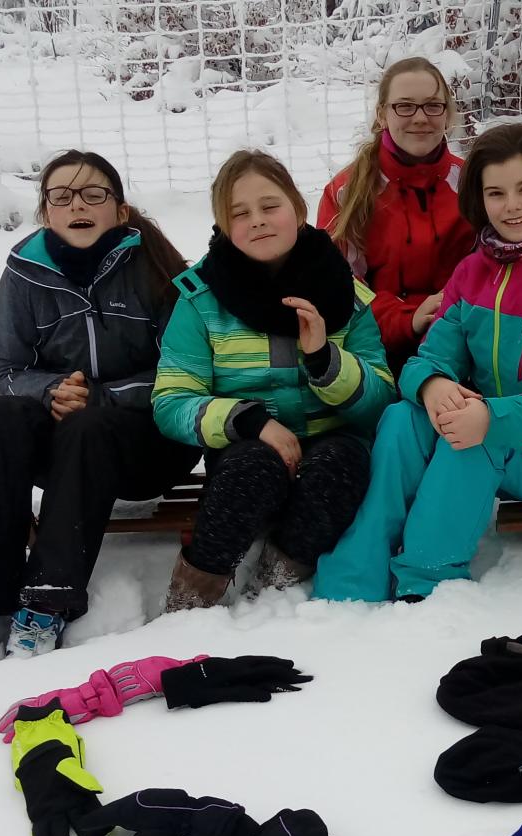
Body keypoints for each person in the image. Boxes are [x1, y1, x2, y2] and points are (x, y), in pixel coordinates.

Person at [313, 124, 522, 603]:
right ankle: (354, 576)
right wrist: (432, 384)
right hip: (495, 430)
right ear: (479, 199)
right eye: (496, 193)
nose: (512, 206)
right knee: (402, 419)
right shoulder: (473, 271)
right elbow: (428, 358)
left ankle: (426, 582)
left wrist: (493, 417)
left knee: (475, 436)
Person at [0, 150, 197, 676]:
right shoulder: (25, 273)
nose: (78, 205)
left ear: (119, 210)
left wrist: (101, 396)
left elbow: (183, 369)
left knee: (89, 424)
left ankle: (47, 602)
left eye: (94, 194)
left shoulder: (156, 268)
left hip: (149, 445)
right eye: (62, 196)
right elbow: (6, 363)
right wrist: (50, 390)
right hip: (65, 439)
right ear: (45, 210)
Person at [152, 150, 396, 610]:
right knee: (251, 466)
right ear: (223, 225)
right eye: (239, 213)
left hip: (330, 441)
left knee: (341, 465)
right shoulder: (200, 299)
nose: (258, 221)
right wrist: (249, 422)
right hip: (248, 450)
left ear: (298, 210)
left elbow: (380, 400)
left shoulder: (346, 293)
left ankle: (278, 581)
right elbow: (172, 402)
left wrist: (325, 360)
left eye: (270, 206)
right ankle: (193, 595)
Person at [318, 57, 474, 373]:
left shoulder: (474, 183)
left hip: (464, 344)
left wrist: (450, 314)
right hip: (374, 353)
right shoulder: (345, 192)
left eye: (433, 106)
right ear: (382, 115)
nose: (420, 117)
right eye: (404, 106)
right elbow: (337, 286)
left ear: (447, 114)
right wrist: (407, 319)